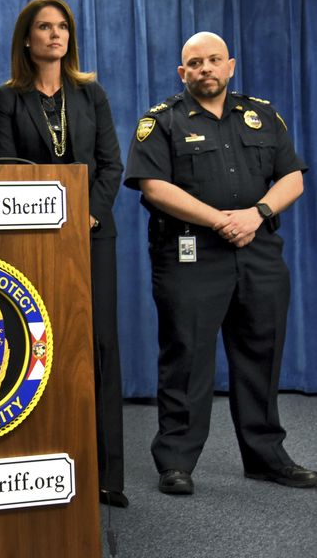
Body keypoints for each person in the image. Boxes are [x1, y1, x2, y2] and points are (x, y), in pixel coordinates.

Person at [124, 31, 316, 495]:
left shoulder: (263, 115)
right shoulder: (161, 121)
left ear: (230, 65)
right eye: (195, 63)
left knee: (261, 355)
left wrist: (257, 215)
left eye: (214, 60)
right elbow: (153, 186)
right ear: (182, 72)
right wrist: (221, 221)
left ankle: (266, 457)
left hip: (259, 251)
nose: (205, 68)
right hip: (190, 255)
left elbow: (292, 178)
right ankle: (175, 462)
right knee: (186, 358)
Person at [0, 0, 126, 507]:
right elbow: (4, 168)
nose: (55, 34)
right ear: (27, 38)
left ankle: (109, 476)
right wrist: (45, 217)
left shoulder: (91, 94)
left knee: (100, 347)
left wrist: (89, 213)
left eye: (62, 27)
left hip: (92, 234)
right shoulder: (7, 97)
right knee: (40, 348)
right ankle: (43, 464)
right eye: (44, 27)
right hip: (34, 238)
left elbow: (111, 165)